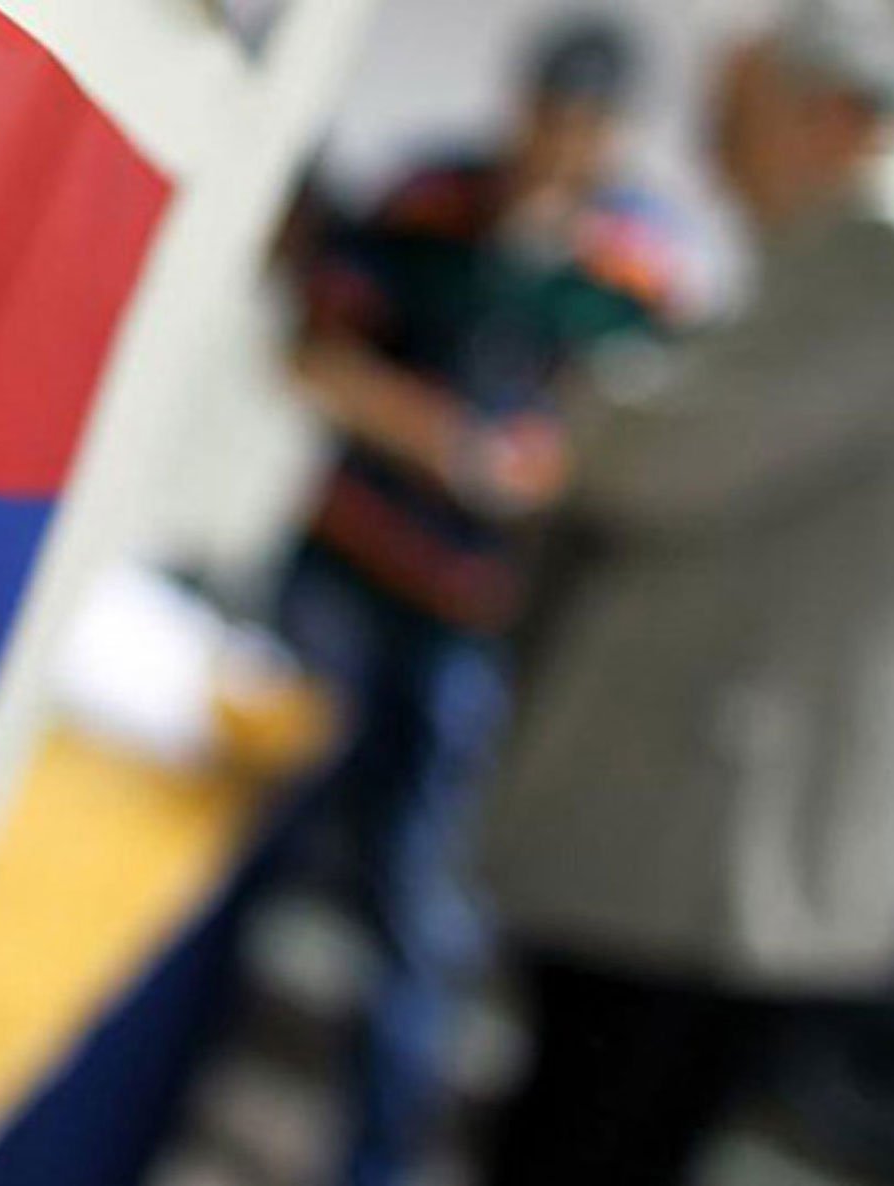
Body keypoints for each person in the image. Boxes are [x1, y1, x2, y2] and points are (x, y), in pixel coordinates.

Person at [477, 1, 894, 1183]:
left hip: (714, 828)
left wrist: (593, 390)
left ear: (830, 117)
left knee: (581, 1134)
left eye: (732, 129)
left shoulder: (889, 248)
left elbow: (659, 458)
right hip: (756, 830)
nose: (715, 169)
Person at [281, 16, 675, 1185]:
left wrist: (539, 470)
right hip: (343, 580)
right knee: (244, 841)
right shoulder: (429, 201)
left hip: (478, 630)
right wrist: (439, 440)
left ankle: (376, 1163)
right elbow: (317, 354)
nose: (556, 148)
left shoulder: (640, 271)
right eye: (545, 118)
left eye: (583, 131)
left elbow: (642, 451)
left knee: (422, 909)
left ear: (614, 139)